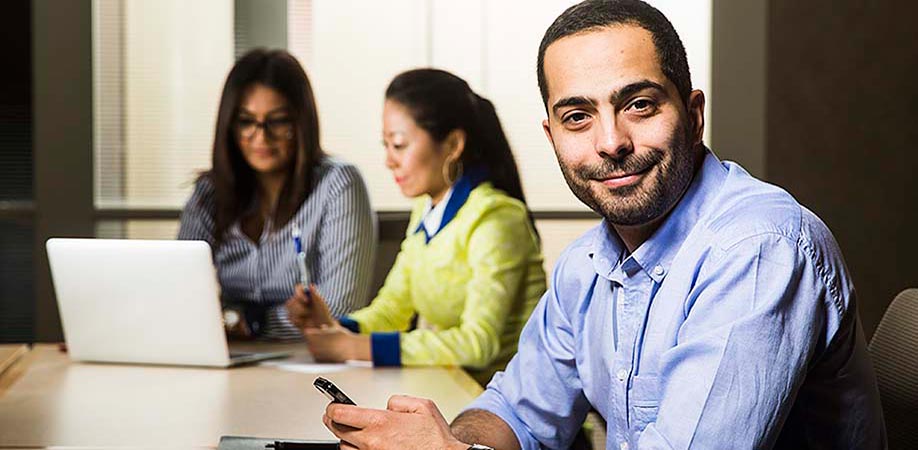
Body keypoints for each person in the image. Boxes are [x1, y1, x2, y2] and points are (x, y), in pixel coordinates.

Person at [314, 1, 887, 449]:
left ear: (691, 117)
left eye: (638, 104)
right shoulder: (586, 266)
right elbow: (515, 410)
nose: (610, 142)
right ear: (552, 137)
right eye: (578, 116)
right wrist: (448, 440)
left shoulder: (758, 249)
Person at [286, 68, 546, 385]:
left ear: (452, 144)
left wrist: (352, 347)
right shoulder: (427, 210)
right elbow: (392, 310)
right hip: (452, 391)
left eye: (399, 145)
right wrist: (338, 328)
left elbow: (478, 343)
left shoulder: (496, 217)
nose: (389, 160)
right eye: (386, 145)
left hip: (511, 407)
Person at [178, 49, 376, 341]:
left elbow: (338, 310)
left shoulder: (338, 184)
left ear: (301, 123)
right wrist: (247, 321)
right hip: (223, 356)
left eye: (278, 121)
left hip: (309, 362)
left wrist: (246, 323)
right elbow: (182, 300)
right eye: (246, 121)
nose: (261, 136)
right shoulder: (208, 194)